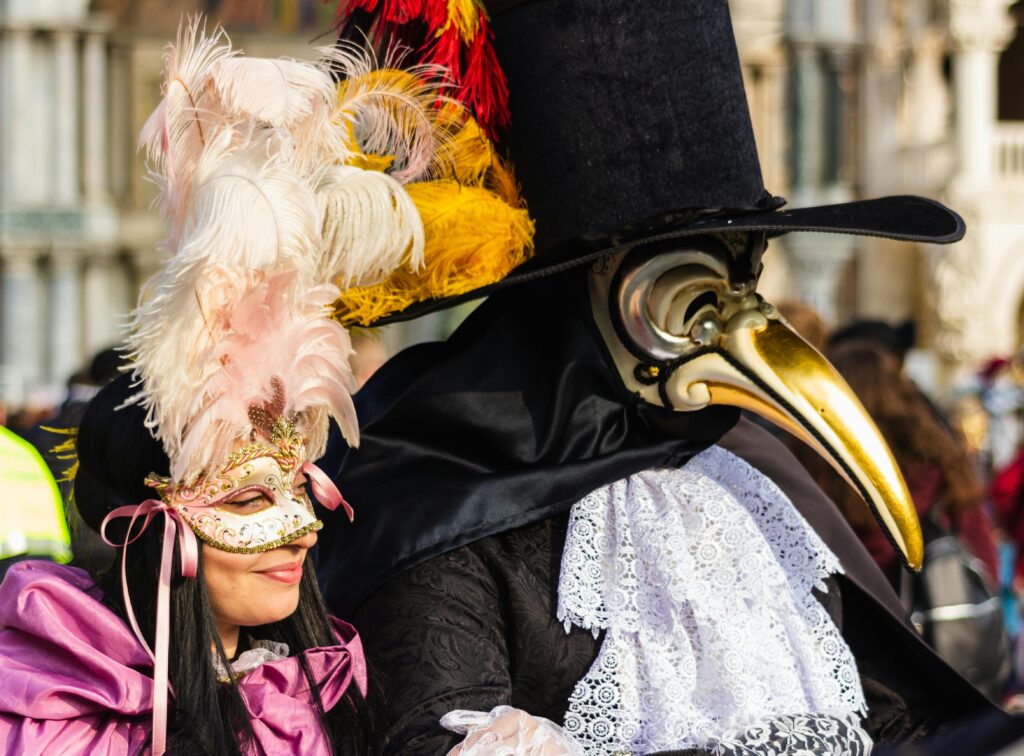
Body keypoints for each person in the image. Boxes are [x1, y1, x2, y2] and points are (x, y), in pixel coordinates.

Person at [315, 0, 1005, 753]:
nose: (739, 323)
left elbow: (892, 719)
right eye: (690, 293)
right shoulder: (437, 514)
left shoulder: (756, 483)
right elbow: (436, 728)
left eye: (745, 278)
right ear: (585, 305)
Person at [0, 18, 455, 754]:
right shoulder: (51, 716)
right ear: (154, 520)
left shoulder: (318, 700)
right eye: (247, 498)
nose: (304, 528)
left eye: (301, 488)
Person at [797, 340, 999, 587]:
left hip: (849, 612)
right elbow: (981, 550)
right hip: (934, 616)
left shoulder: (817, 460)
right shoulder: (939, 459)